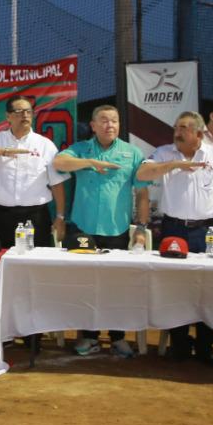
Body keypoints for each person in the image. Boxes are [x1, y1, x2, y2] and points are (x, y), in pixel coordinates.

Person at [137, 112, 213, 362]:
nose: (178, 132)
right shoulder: (165, 152)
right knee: (175, 287)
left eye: (184, 128)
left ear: (199, 133)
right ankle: (179, 343)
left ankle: (206, 345)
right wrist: (175, 165)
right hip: (174, 228)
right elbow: (143, 175)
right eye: (176, 127)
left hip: (206, 230)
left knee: (206, 288)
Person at [54, 105, 150, 357]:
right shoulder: (81, 149)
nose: (110, 125)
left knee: (116, 286)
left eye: (115, 121)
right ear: (93, 126)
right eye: (104, 121)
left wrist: (140, 227)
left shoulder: (132, 153)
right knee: (84, 285)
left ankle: (118, 337)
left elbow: (142, 193)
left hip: (116, 230)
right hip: (82, 228)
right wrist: (89, 162)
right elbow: (59, 162)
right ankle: (89, 337)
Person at [0, 96, 68, 251]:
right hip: (2, 216)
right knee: (2, 261)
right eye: (19, 111)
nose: (25, 115)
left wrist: (60, 217)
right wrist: (2, 151)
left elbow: (57, 182)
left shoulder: (45, 144)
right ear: (8, 116)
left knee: (36, 263)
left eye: (28, 111)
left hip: (36, 217)